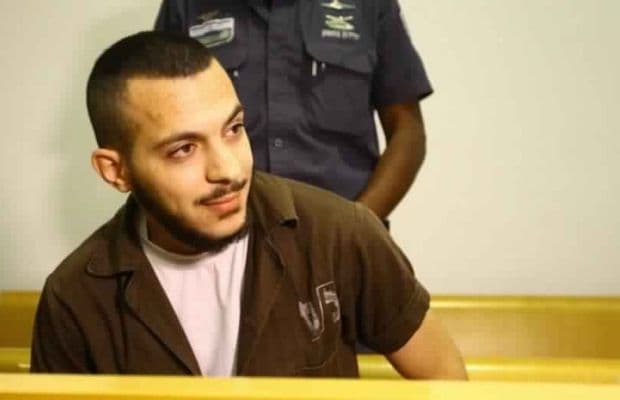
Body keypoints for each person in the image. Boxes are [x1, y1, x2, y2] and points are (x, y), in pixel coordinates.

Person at [30, 31, 465, 378]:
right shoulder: (74, 296)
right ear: (116, 171)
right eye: (183, 149)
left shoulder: (340, 234)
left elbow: (444, 378)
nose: (228, 169)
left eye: (234, 129)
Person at [155, 0, 431, 220]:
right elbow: (160, 128)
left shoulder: (369, 5)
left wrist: (358, 224)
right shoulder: (186, 5)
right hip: (221, 241)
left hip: (347, 236)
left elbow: (407, 130)